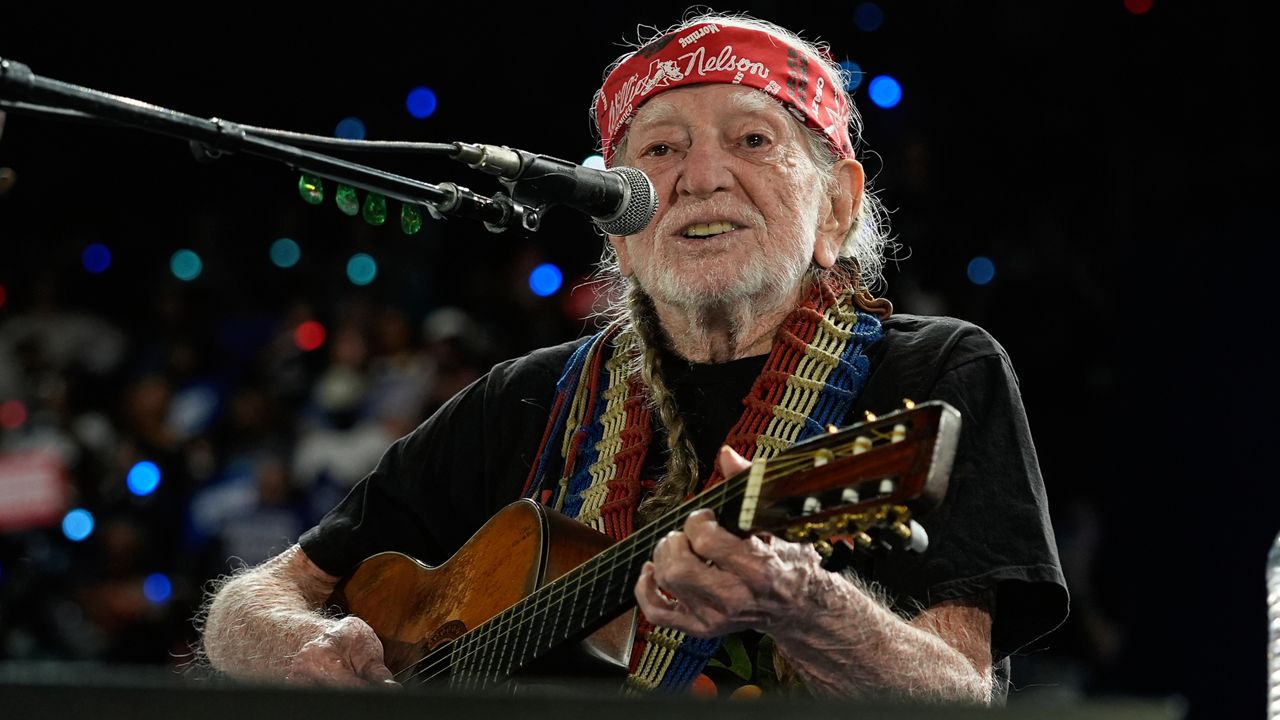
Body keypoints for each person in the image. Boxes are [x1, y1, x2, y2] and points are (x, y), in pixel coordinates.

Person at [199, 12, 1068, 703]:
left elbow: (960, 698)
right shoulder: (527, 397)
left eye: (753, 140)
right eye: (657, 151)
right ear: (617, 231)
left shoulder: (938, 370)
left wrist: (807, 607)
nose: (699, 177)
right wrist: (304, 648)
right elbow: (247, 605)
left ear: (838, 207)